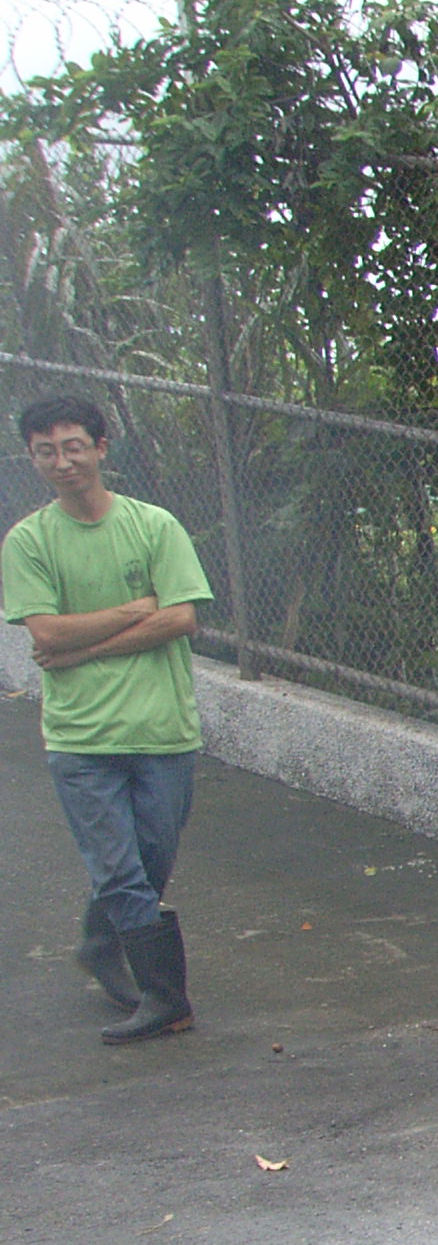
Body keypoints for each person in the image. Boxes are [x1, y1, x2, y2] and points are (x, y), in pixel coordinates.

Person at [6, 395, 212, 1043]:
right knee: (120, 870)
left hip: (162, 731)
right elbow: (44, 629)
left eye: (73, 446)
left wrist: (83, 646)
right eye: (47, 451)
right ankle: (165, 999)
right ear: (32, 458)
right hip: (80, 738)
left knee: (149, 862)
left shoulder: (154, 526)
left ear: (100, 448)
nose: (62, 461)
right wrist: (132, 612)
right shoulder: (30, 540)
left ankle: (102, 943)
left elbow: (181, 617)